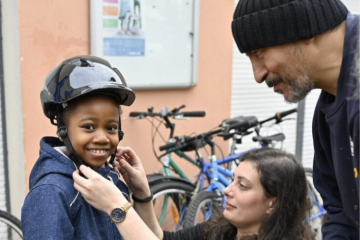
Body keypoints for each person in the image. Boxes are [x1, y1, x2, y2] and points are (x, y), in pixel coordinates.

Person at [231, 0, 359, 238]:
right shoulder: (327, 111)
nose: (258, 75)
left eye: (259, 52)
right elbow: (341, 214)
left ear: (305, 27)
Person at [73, 147, 315, 240]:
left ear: (273, 203)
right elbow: (161, 239)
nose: (227, 191)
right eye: (232, 180)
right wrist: (142, 193)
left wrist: (117, 207)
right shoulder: (222, 230)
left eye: (243, 185)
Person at [21, 55, 137, 239]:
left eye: (111, 127)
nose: (102, 138)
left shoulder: (114, 182)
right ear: (63, 129)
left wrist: (140, 194)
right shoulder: (51, 194)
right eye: (89, 127)